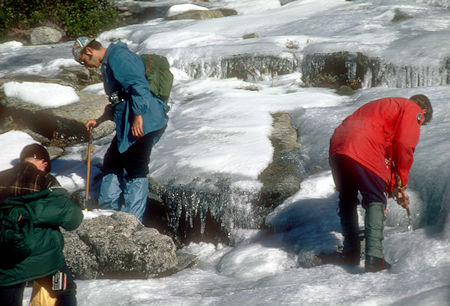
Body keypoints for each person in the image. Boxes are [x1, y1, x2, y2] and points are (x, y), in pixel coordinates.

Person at [328, 95, 432, 272]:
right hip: (363, 145)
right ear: (424, 111)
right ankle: (374, 260)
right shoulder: (412, 109)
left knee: (347, 197)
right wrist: (402, 181)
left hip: (338, 146)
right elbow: (404, 144)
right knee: (375, 198)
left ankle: (351, 254)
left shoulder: (386, 108)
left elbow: (387, 157)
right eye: (421, 123)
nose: (418, 125)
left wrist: (395, 188)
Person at [72, 37, 169, 222]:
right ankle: (107, 211)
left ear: (89, 51)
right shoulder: (108, 63)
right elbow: (119, 100)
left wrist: (138, 117)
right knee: (112, 162)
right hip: (129, 121)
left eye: (83, 60)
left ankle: (132, 220)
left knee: (135, 167)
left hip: (145, 121)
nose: (85, 65)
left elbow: (139, 86)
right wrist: (99, 120)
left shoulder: (119, 57)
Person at [0, 143, 84, 305]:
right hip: (47, 262)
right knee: (65, 292)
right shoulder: (46, 180)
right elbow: (73, 219)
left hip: (7, 259)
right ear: (44, 163)